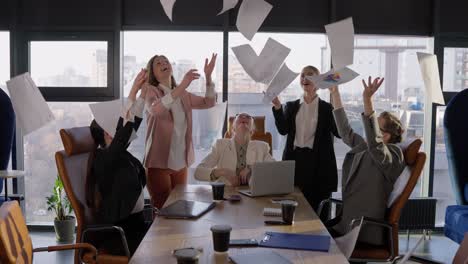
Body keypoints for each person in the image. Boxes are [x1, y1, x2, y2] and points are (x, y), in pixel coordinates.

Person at [326, 77, 405, 245]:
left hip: (363, 230)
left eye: (375, 127)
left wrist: (367, 100)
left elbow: (377, 148)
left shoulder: (393, 154)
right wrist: (335, 93)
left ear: (385, 135)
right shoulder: (366, 147)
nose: (369, 131)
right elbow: (345, 132)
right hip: (346, 223)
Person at [86, 69, 150, 256]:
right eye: (118, 125)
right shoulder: (102, 158)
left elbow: (132, 125)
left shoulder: (119, 153)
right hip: (120, 234)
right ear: (107, 133)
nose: (124, 128)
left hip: (136, 226)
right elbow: (123, 133)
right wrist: (132, 92)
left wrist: (142, 96)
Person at [143, 53, 217, 208]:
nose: (164, 63)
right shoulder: (151, 91)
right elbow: (156, 110)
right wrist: (182, 85)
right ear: (153, 73)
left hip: (180, 162)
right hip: (158, 163)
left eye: (166, 61)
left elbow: (209, 102)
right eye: (158, 63)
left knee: (180, 208)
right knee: (162, 210)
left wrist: (208, 77)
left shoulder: (183, 94)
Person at [271, 65, 339, 215]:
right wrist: (277, 107)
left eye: (310, 75)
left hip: (318, 165)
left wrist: (338, 100)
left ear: (319, 81)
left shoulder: (327, 108)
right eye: (302, 75)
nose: (305, 78)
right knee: (292, 211)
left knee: (318, 214)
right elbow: (283, 130)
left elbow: (339, 132)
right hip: (294, 162)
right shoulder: (291, 106)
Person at [195, 113, 274, 186]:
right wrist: (223, 172)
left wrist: (252, 168)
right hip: (227, 196)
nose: (244, 117)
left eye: (248, 117)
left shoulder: (262, 147)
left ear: (252, 131)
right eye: (240, 116)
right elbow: (198, 172)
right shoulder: (220, 145)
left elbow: (275, 169)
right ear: (233, 128)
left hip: (255, 195)